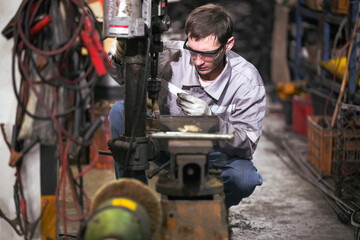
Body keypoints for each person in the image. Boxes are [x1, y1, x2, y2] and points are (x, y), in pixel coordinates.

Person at [108, 3, 266, 209]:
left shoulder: (246, 81)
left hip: (215, 156)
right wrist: (121, 55)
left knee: (244, 179)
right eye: (193, 51)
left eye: (208, 54)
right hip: (167, 146)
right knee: (120, 112)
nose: (198, 61)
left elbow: (247, 145)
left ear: (228, 44)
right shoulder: (172, 57)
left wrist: (211, 121)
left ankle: (207, 210)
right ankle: (135, 200)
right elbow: (124, 78)